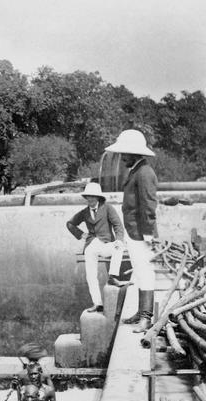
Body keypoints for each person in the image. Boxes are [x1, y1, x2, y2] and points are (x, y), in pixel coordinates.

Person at [105, 129, 158, 333]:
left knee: (146, 273)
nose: (121, 157)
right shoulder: (136, 170)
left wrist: (148, 234)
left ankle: (146, 317)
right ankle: (140, 311)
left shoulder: (144, 173)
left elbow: (149, 205)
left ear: (135, 153)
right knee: (139, 272)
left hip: (141, 233)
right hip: (134, 231)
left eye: (124, 153)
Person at [66, 182, 127, 313]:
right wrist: (81, 235)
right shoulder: (84, 212)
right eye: (88, 197)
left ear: (98, 197)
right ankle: (97, 303)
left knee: (119, 247)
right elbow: (70, 224)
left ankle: (112, 277)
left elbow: (118, 226)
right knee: (91, 274)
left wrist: (119, 240)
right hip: (92, 244)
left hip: (106, 244)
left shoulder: (108, 208)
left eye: (93, 197)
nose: (90, 199)